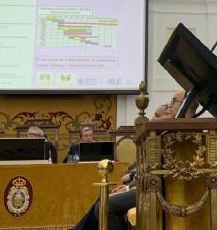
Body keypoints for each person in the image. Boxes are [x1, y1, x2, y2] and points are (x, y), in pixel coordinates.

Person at [73, 90, 197, 230]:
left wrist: (130, 186)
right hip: (149, 185)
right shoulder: (168, 130)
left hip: (159, 190)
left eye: (173, 102)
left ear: (186, 110)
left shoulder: (182, 132)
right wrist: (129, 186)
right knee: (103, 201)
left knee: (106, 206)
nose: (169, 107)